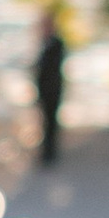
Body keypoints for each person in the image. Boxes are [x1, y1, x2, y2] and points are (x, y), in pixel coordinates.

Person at [33, 14, 67, 166]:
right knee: (44, 121)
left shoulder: (57, 43)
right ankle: (45, 151)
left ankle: (50, 152)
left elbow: (52, 66)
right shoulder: (42, 43)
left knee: (51, 121)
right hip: (43, 88)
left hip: (53, 88)